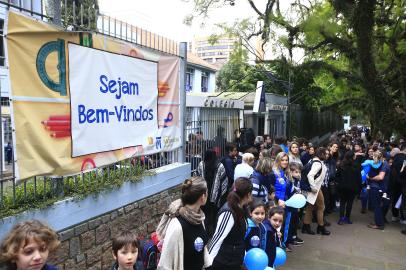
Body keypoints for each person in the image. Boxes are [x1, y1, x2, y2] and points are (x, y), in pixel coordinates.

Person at [157, 177, 210, 270]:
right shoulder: (177, 226)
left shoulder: (199, 218)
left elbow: (202, 251)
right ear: (202, 197)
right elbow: (164, 265)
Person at [208, 177, 253, 270]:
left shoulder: (241, 208)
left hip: (234, 260)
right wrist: (208, 264)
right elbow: (217, 238)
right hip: (224, 262)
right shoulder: (228, 212)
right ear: (248, 194)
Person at [196, 149, 228, 236]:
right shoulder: (220, 166)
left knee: (203, 215)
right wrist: (221, 197)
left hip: (203, 195)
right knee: (214, 216)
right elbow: (224, 182)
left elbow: (197, 178)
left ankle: (204, 233)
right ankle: (213, 233)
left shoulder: (201, 164)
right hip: (216, 198)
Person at [302, 147, 330, 235]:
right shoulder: (318, 163)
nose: (327, 155)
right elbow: (310, 175)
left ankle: (306, 226)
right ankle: (321, 227)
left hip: (313, 188)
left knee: (310, 207)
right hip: (315, 189)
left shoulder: (313, 160)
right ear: (321, 154)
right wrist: (313, 187)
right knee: (321, 207)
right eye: (326, 154)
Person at [336, 151, 362, 225]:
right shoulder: (356, 165)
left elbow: (337, 176)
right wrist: (359, 189)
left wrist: (339, 183)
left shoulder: (341, 165)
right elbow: (359, 178)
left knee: (342, 203)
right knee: (350, 203)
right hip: (352, 188)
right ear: (352, 157)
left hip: (342, 187)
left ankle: (341, 218)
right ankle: (347, 218)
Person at [367, 151, 390, 230]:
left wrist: (371, 178)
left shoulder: (384, 164)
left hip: (377, 188)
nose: (373, 158)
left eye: (374, 156)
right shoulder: (384, 164)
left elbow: (380, 177)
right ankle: (380, 222)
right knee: (378, 206)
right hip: (381, 188)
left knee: (377, 206)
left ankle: (379, 224)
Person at [289, 163, 304, 246]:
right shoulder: (291, 181)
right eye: (296, 172)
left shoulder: (298, 181)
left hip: (296, 205)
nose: (298, 174)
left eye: (299, 172)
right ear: (291, 172)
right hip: (291, 205)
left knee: (295, 221)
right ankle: (290, 238)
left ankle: (294, 236)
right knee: (291, 222)